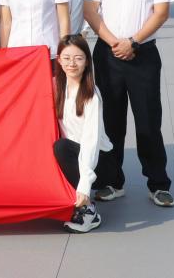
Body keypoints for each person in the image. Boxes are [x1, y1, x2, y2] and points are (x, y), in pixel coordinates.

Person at [83, 0, 174, 209]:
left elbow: (161, 12)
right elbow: (90, 11)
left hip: (143, 53)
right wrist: (115, 42)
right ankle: (111, 181)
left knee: (148, 120)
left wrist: (133, 41)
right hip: (107, 53)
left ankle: (158, 183)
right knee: (110, 120)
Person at [53, 34, 112, 233]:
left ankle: (89, 211)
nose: (72, 63)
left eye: (78, 58)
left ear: (87, 62)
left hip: (97, 161)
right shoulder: (55, 86)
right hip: (73, 154)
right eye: (67, 58)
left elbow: (90, 142)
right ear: (58, 60)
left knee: (61, 147)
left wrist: (85, 185)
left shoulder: (91, 95)